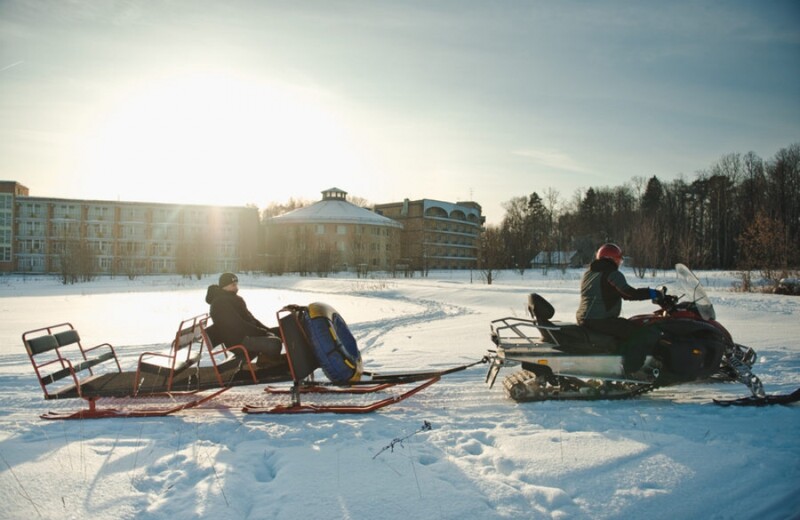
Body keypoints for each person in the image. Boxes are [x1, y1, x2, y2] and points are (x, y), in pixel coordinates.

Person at [576, 243, 663, 375]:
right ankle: (632, 370)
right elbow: (628, 293)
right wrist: (653, 293)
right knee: (639, 334)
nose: (619, 262)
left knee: (625, 329)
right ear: (612, 259)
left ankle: (620, 362)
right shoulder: (611, 273)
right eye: (619, 259)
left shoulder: (589, 273)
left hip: (585, 318)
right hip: (600, 319)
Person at [205, 272, 284, 368]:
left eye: (236, 284)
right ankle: (268, 365)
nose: (236, 288)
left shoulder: (234, 299)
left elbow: (251, 319)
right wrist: (262, 333)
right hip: (237, 340)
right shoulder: (220, 303)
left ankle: (269, 362)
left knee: (281, 332)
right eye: (233, 285)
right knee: (275, 343)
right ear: (224, 286)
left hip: (245, 336)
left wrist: (267, 330)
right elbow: (238, 325)